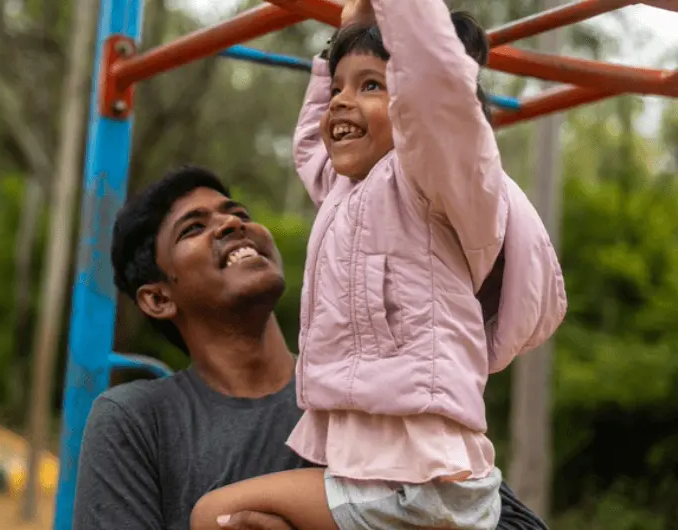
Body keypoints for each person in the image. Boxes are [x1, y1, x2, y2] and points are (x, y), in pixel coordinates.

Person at [189, 0, 566, 530]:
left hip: (425, 481)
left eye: (370, 86)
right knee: (246, 522)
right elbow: (309, 149)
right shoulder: (346, 191)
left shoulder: (437, 181)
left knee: (215, 515)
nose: (341, 102)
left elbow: (436, 90)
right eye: (338, 88)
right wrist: (348, 30)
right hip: (382, 477)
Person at [73, 165, 552, 530]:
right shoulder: (136, 420)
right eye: (193, 228)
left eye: (238, 214)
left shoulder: (372, 386)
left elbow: (507, 521)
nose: (231, 225)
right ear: (158, 298)